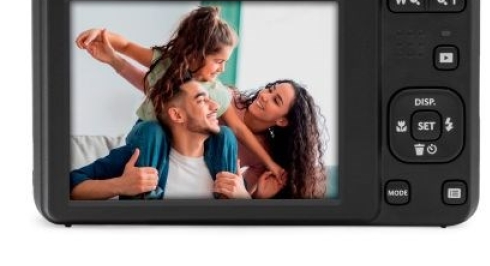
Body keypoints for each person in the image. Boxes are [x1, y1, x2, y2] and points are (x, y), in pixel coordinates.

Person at [76, 6, 286, 185]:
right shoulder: (166, 64)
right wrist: (99, 34)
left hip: (183, 151)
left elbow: (239, 129)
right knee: (154, 131)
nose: (222, 69)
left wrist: (271, 164)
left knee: (225, 134)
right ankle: (146, 200)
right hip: (147, 140)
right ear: (196, 54)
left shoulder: (216, 92)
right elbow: (127, 46)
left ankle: (224, 197)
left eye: (225, 62)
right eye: (218, 61)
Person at [82, 48, 328, 199]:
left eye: (276, 100)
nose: (264, 95)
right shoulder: (225, 98)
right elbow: (163, 91)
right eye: (270, 89)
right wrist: (116, 61)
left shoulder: (257, 155)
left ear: (283, 120)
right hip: (159, 148)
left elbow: (240, 193)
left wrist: (256, 197)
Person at [71, 79, 251, 200]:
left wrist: (244, 197)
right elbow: (71, 185)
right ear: (177, 115)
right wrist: (120, 185)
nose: (216, 106)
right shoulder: (139, 156)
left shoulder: (224, 162)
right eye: (202, 100)